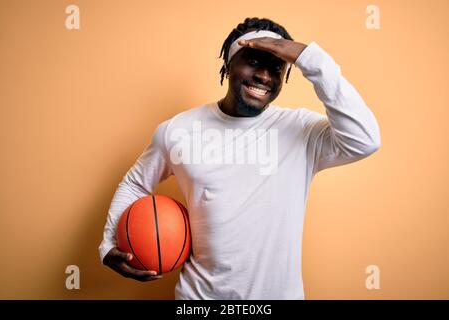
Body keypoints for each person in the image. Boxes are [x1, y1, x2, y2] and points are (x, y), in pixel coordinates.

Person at [99, 17, 381, 299]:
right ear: (228, 64)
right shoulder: (178, 130)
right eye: (254, 61)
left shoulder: (302, 131)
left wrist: (309, 58)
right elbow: (136, 184)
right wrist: (110, 242)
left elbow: (364, 140)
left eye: (276, 66)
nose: (264, 76)